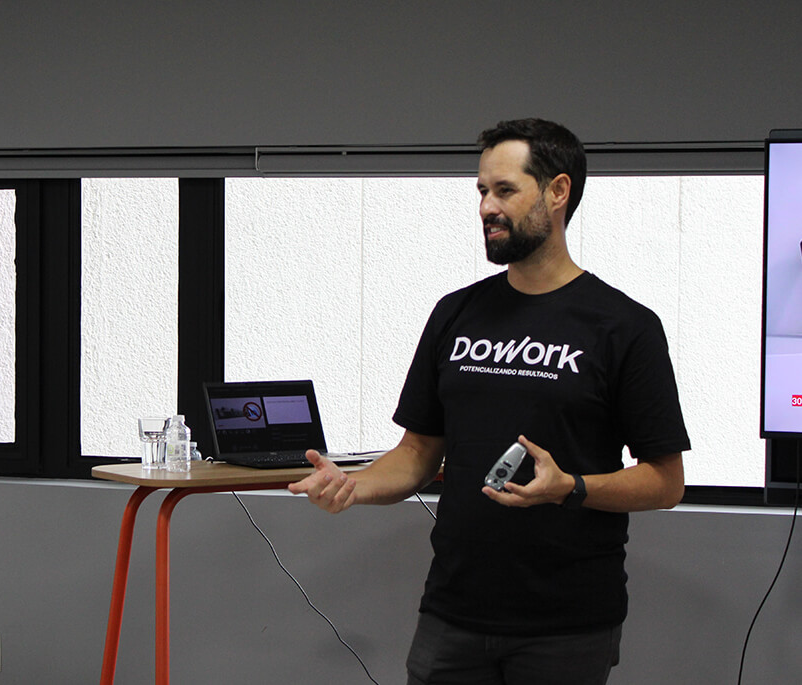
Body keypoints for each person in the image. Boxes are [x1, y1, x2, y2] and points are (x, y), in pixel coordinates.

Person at [289, 119, 689, 685]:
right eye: (481, 191)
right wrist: (354, 486)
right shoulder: (455, 314)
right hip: (453, 612)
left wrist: (570, 487)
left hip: (567, 623)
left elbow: (666, 482)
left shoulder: (624, 326)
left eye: (504, 190)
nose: (486, 208)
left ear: (557, 191)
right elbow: (417, 453)